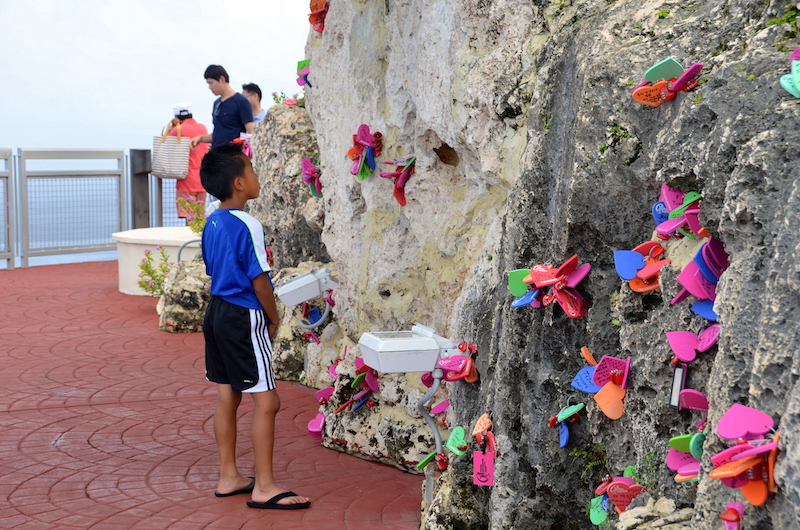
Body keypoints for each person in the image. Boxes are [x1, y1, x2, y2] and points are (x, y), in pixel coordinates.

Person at [199, 143, 311, 510]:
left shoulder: (212, 221)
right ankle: (264, 485)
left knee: (227, 395)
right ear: (238, 183)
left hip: (216, 312)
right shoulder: (249, 223)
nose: (257, 176)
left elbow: (214, 270)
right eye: (252, 170)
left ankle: (228, 476)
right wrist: (274, 317)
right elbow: (260, 281)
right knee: (268, 401)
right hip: (242, 315)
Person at [190, 65, 254, 149]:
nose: (209, 87)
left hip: (233, 155)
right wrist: (200, 138)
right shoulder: (216, 103)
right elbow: (219, 134)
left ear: (222, 79)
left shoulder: (241, 101)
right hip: (216, 154)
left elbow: (251, 132)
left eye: (211, 83)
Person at [168, 103, 208, 221]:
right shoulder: (203, 128)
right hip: (202, 180)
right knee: (200, 218)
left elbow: (166, 144)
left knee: (190, 219)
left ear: (176, 116)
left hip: (187, 181)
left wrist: (173, 126)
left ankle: (191, 240)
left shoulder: (178, 130)